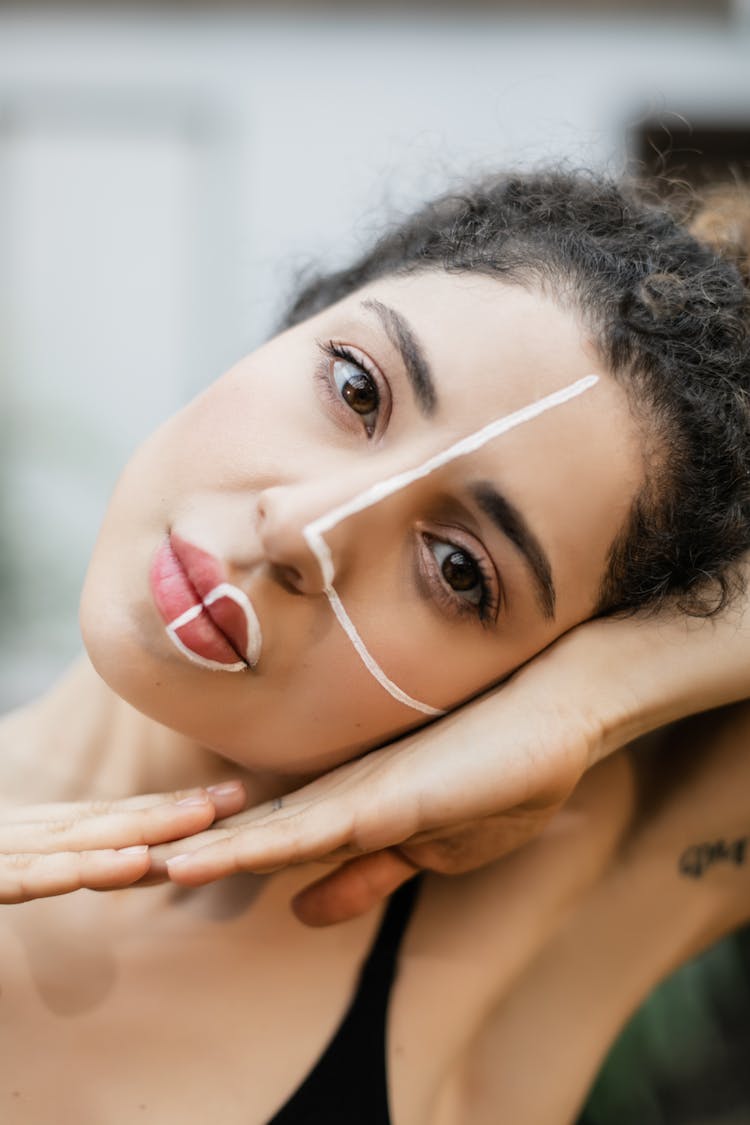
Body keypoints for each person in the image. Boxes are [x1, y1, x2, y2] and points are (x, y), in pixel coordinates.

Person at [1, 170, 749, 1124]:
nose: (301, 532)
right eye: (357, 387)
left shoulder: (508, 932)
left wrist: (584, 700)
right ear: (299, 319)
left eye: (460, 570)